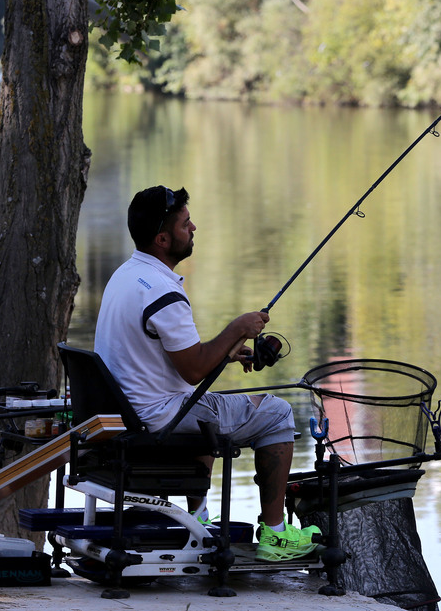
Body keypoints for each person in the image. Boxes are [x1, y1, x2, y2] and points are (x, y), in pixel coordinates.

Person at [94, 185, 318, 562]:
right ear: (163, 239)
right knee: (276, 413)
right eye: (185, 224)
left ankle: (196, 518)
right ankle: (276, 535)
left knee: (208, 408)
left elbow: (171, 359)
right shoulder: (164, 294)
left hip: (128, 411)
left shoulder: (126, 276)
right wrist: (238, 328)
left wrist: (225, 354)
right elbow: (195, 369)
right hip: (159, 417)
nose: (193, 227)